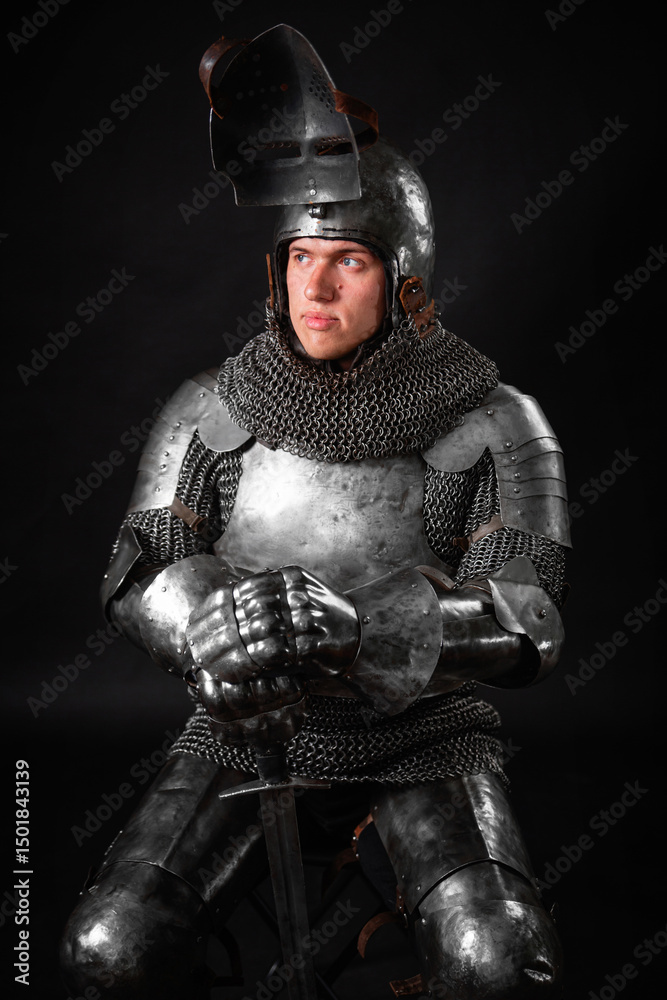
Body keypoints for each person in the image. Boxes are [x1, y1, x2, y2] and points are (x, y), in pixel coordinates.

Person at [60, 25, 570, 999]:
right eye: (299, 258)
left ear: (405, 283)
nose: (317, 287)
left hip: (420, 726)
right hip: (250, 722)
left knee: (496, 960)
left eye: (350, 262)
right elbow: (137, 568)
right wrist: (213, 616)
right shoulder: (213, 410)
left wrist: (369, 627)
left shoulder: (494, 422)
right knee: (107, 946)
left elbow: (529, 615)